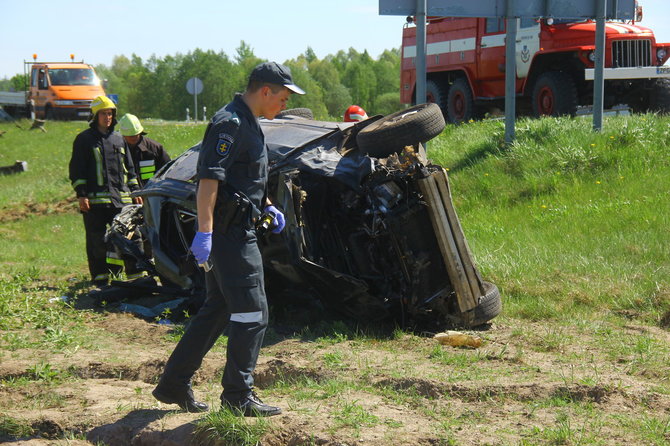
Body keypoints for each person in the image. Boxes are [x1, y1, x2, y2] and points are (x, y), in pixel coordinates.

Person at [152, 62, 305, 416]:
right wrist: (204, 235)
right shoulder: (230, 123)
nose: (284, 104)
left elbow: (243, 177)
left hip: (236, 229)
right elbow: (209, 183)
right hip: (230, 236)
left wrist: (266, 204)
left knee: (217, 309)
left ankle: (174, 384)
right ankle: (238, 396)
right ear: (265, 90)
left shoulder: (249, 122)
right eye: (282, 97)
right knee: (253, 313)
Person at [69, 96, 142, 286]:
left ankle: (136, 274)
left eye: (110, 113)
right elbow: (77, 169)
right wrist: (81, 194)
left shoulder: (119, 139)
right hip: (95, 202)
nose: (107, 117)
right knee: (97, 240)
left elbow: (130, 169)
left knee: (130, 235)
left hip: (122, 200)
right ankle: (101, 277)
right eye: (103, 113)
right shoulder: (84, 140)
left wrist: (135, 192)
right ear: (95, 116)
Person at [118, 113, 171, 187]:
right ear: (122, 135)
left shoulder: (155, 148)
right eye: (130, 136)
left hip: (152, 192)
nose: (133, 138)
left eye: (136, 134)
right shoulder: (117, 149)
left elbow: (169, 171)